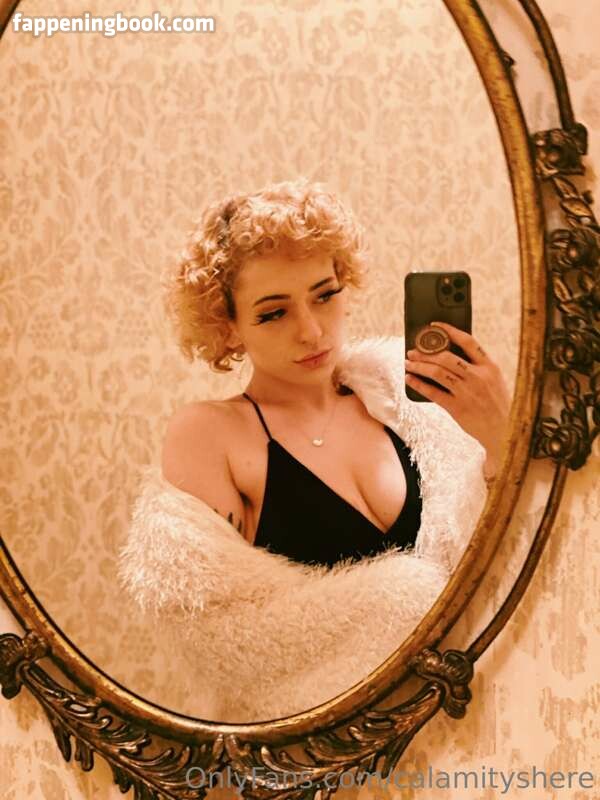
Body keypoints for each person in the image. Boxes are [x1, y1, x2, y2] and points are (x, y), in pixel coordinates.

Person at [117, 178, 510, 722]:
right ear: (228, 327)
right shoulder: (210, 434)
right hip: (316, 752)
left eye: (325, 295)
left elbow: (503, 566)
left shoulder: (410, 406)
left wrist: (499, 436)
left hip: (466, 729)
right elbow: (222, 638)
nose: (311, 331)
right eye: (273, 313)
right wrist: (404, 600)